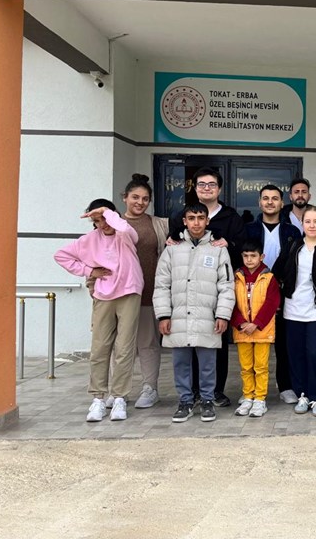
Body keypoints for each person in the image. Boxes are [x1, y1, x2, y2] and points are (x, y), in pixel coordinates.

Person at [55, 200, 143, 422]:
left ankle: (120, 397)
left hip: (129, 292)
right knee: (99, 348)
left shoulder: (125, 234)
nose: (102, 224)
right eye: (96, 221)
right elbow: (61, 255)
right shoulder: (88, 240)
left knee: (124, 348)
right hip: (103, 295)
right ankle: (98, 398)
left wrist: (107, 212)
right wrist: (89, 271)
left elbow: (125, 229)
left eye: (104, 219)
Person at [167, 167, 244, 408]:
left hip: (214, 290)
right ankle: (191, 392)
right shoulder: (181, 215)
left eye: (211, 184)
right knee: (188, 343)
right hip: (187, 291)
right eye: (202, 184)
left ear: (219, 189)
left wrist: (229, 244)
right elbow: (174, 243)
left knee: (215, 343)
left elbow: (242, 249)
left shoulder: (231, 217)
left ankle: (215, 391)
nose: (206, 188)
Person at [154, 203, 235, 423]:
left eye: (201, 218)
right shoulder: (172, 249)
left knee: (208, 364)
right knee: (181, 363)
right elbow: (161, 285)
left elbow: (226, 285)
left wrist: (222, 315)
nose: (196, 223)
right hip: (178, 317)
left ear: (207, 221)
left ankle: (207, 400)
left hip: (207, 316)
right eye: (191, 218)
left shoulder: (218, 249)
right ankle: (185, 401)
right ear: (185, 221)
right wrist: (163, 315)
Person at [114, 174, 169, 410]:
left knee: (148, 343)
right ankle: (118, 391)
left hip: (148, 291)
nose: (140, 202)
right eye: (135, 197)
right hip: (118, 294)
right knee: (119, 344)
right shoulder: (113, 223)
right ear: (125, 197)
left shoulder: (158, 224)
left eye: (145, 199)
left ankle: (150, 388)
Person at [275, 205, 316, 418]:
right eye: (308, 221)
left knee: (315, 354)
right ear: (302, 223)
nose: (312, 225)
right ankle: (302, 394)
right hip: (292, 310)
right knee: (296, 355)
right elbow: (276, 272)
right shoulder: (293, 246)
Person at [245, 184, 303, 405]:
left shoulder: (292, 232)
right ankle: (250, 390)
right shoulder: (248, 229)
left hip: (282, 292)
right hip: (252, 294)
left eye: (275, 198)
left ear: (282, 203)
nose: (270, 202)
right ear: (259, 202)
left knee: (283, 343)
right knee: (252, 343)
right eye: (266, 198)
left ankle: (285, 385)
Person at [232, 239, 280, 418]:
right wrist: (240, 322)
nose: (249, 259)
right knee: (246, 366)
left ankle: (260, 399)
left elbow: (272, 303)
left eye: (253, 256)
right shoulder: (236, 277)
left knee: (260, 366)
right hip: (242, 330)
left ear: (262, 257)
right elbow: (231, 302)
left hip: (262, 330)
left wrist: (257, 323)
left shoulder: (269, 278)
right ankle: (248, 396)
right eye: (246, 256)